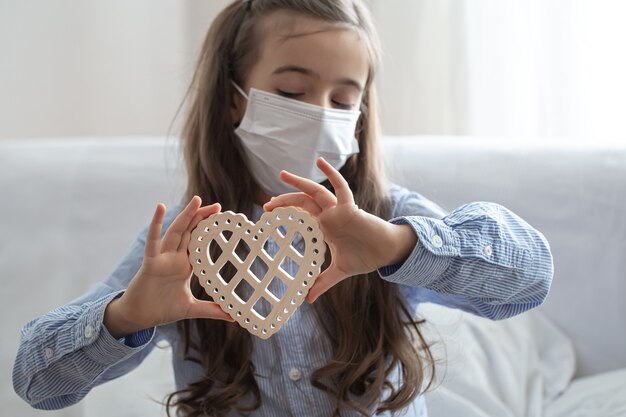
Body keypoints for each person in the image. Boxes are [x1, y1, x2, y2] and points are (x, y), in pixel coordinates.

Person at [12, 1, 554, 416]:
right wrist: (128, 314)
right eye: (292, 91)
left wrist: (398, 246)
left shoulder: (384, 220)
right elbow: (36, 382)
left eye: (344, 102)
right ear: (232, 98)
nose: (320, 116)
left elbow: (531, 275)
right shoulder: (186, 246)